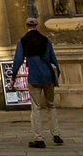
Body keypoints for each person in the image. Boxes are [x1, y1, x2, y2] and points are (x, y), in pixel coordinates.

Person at [12, 16, 62, 149]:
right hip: (48, 76)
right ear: (37, 25)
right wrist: (57, 75)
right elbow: (54, 59)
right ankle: (56, 134)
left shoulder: (23, 41)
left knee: (36, 108)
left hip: (34, 77)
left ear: (26, 26)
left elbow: (18, 61)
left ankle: (38, 138)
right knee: (51, 105)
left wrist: (13, 77)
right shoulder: (46, 40)